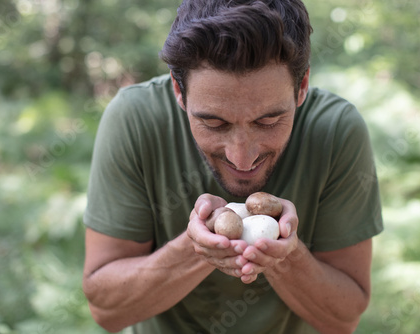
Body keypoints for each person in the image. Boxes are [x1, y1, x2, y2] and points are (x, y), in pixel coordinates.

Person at [82, 0, 383, 333]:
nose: (243, 158)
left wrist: (285, 256)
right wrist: (197, 249)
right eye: (213, 123)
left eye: (269, 120)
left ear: (302, 87)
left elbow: (343, 318)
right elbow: (106, 310)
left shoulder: (336, 130)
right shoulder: (136, 119)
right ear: (178, 91)